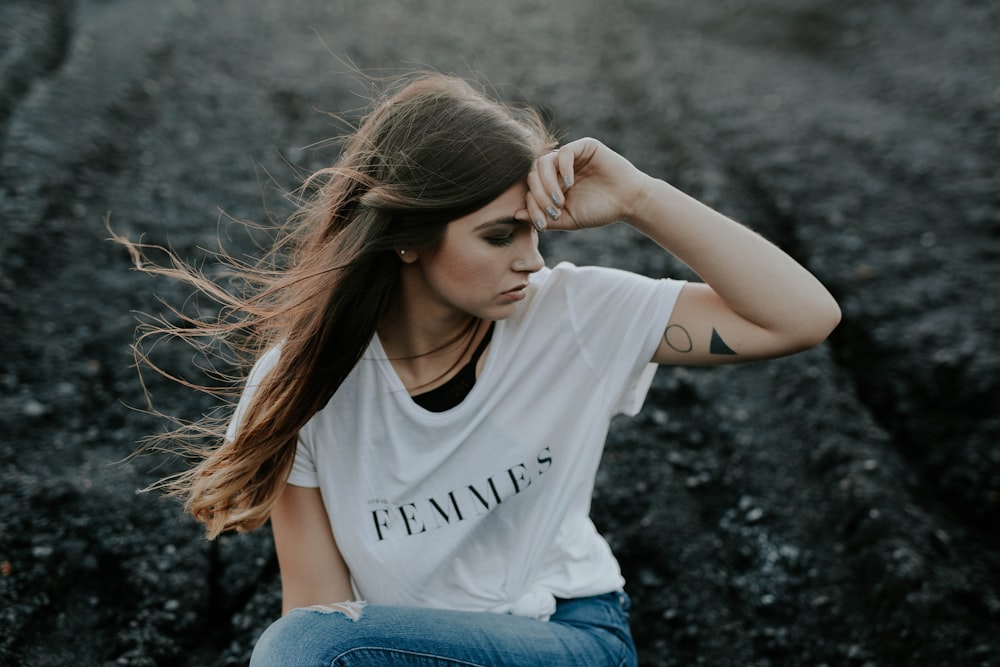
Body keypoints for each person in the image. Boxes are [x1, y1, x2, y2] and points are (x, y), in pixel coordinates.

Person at [118, 73, 840, 666]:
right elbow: (318, 601)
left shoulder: (572, 316)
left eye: (536, 230)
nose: (531, 258)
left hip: (570, 636)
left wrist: (639, 197)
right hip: (411, 652)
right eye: (500, 235)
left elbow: (801, 316)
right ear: (408, 237)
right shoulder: (299, 384)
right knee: (309, 640)